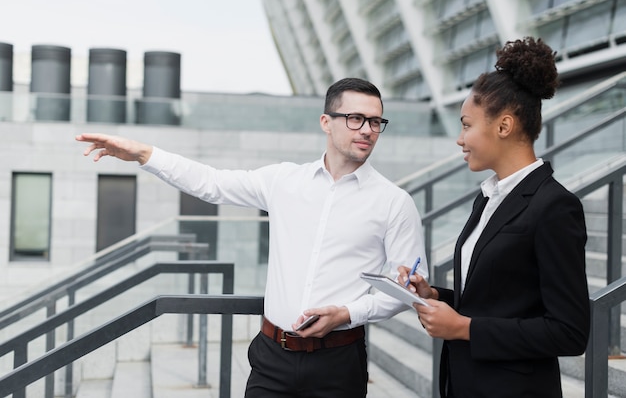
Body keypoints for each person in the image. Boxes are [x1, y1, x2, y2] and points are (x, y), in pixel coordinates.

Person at [76, 77, 428, 398]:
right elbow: (211, 183)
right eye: (355, 118)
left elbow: (406, 290)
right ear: (326, 122)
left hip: (338, 363)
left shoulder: (394, 203)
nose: (367, 130)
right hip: (271, 358)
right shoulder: (284, 181)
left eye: (376, 122)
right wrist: (143, 154)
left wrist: (347, 313)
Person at [400, 37, 590, 397]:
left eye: (466, 125)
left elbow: (568, 331)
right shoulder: (488, 198)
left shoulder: (554, 206)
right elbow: (498, 300)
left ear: (504, 126)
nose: (459, 139)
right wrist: (435, 295)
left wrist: (464, 328)